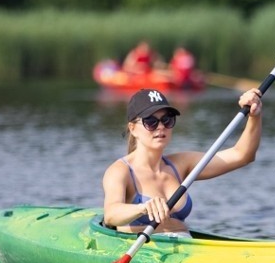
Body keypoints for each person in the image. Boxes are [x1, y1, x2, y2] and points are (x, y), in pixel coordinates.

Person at [103, 87, 263, 237]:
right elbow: (111, 214)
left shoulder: (181, 164)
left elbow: (242, 155)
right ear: (132, 128)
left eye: (167, 120)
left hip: (185, 246)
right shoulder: (120, 171)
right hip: (144, 251)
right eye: (150, 122)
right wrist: (142, 208)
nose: (160, 127)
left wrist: (254, 116)